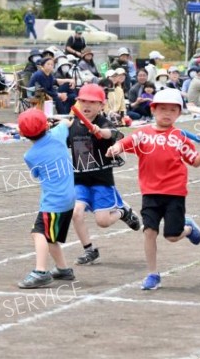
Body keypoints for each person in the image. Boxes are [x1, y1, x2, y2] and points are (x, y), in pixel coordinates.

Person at [106, 89, 200, 290]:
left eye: (173, 110)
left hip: (175, 193)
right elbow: (124, 143)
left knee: (172, 236)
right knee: (149, 232)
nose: (167, 113)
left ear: (179, 114)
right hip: (150, 193)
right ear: (153, 110)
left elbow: (195, 161)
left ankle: (188, 229)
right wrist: (116, 148)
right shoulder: (143, 134)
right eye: (162, 109)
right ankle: (153, 274)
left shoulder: (179, 137)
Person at [69, 84, 141, 265]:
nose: (87, 105)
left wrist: (99, 131)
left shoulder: (103, 122)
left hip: (101, 179)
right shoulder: (72, 124)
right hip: (79, 179)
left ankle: (123, 211)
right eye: (83, 100)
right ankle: (89, 250)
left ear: (101, 105)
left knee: (103, 221)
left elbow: (113, 133)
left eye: (93, 102)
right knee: (76, 213)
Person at [17, 109, 76, 288]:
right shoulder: (58, 133)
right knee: (51, 237)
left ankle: (41, 272)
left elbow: (36, 174)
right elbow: (69, 121)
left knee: (39, 233)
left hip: (53, 201)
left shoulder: (30, 156)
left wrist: (47, 123)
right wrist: (54, 119)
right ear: (47, 125)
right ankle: (63, 269)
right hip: (69, 197)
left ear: (22, 133)